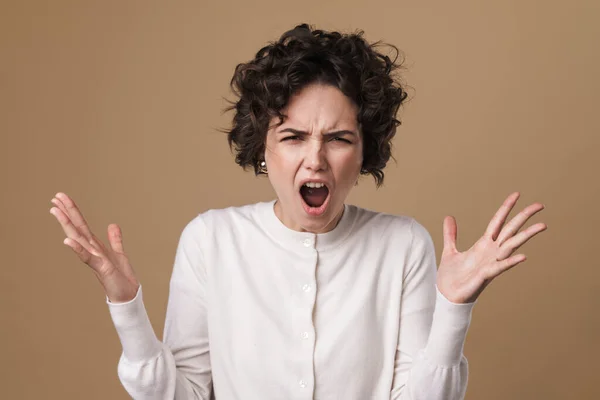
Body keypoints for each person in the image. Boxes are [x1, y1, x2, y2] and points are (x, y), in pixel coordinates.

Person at [49, 23, 547, 400]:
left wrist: (454, 310)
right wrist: (127, 306)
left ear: (363, 153)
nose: (315, 158)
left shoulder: (403, 245)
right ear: (263, 150)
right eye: (292, 137)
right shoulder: (211, 240)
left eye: (338, 139)